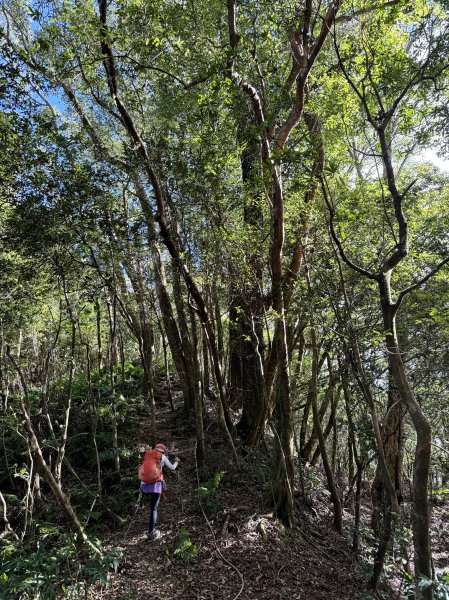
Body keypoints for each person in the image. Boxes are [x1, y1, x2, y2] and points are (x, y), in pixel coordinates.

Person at [140, 443, 179, 542]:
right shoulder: (163, 456)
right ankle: (151, 533)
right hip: (155, 484)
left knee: (148, 506)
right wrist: (176, 462)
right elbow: (172, 468)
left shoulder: (148, 455)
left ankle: (140, 506)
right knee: (154, 509)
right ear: (163, 451)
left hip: (144, 483)